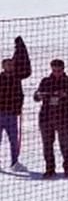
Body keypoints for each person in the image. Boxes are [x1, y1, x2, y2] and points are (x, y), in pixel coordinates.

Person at [34, 59, 68, 178]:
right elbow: (36, 96)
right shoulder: (46, 81)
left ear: (63, 69)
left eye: (59, 70)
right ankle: (49, 168)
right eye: (54, 70)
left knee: (65, 145)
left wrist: (67, 93)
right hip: (46, 117)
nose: (56, 73)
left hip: (63, 118)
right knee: (47, 145)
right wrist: (39, 95)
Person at [0, 37, 31, 172]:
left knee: (14, 140)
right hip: (0, 114)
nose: (10, 66)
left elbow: (26, 68)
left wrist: (20, 47)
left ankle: (14, 162)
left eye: (12, 64)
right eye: (8, 64)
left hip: (12, 114)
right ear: (3, 66)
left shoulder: (17, 76)